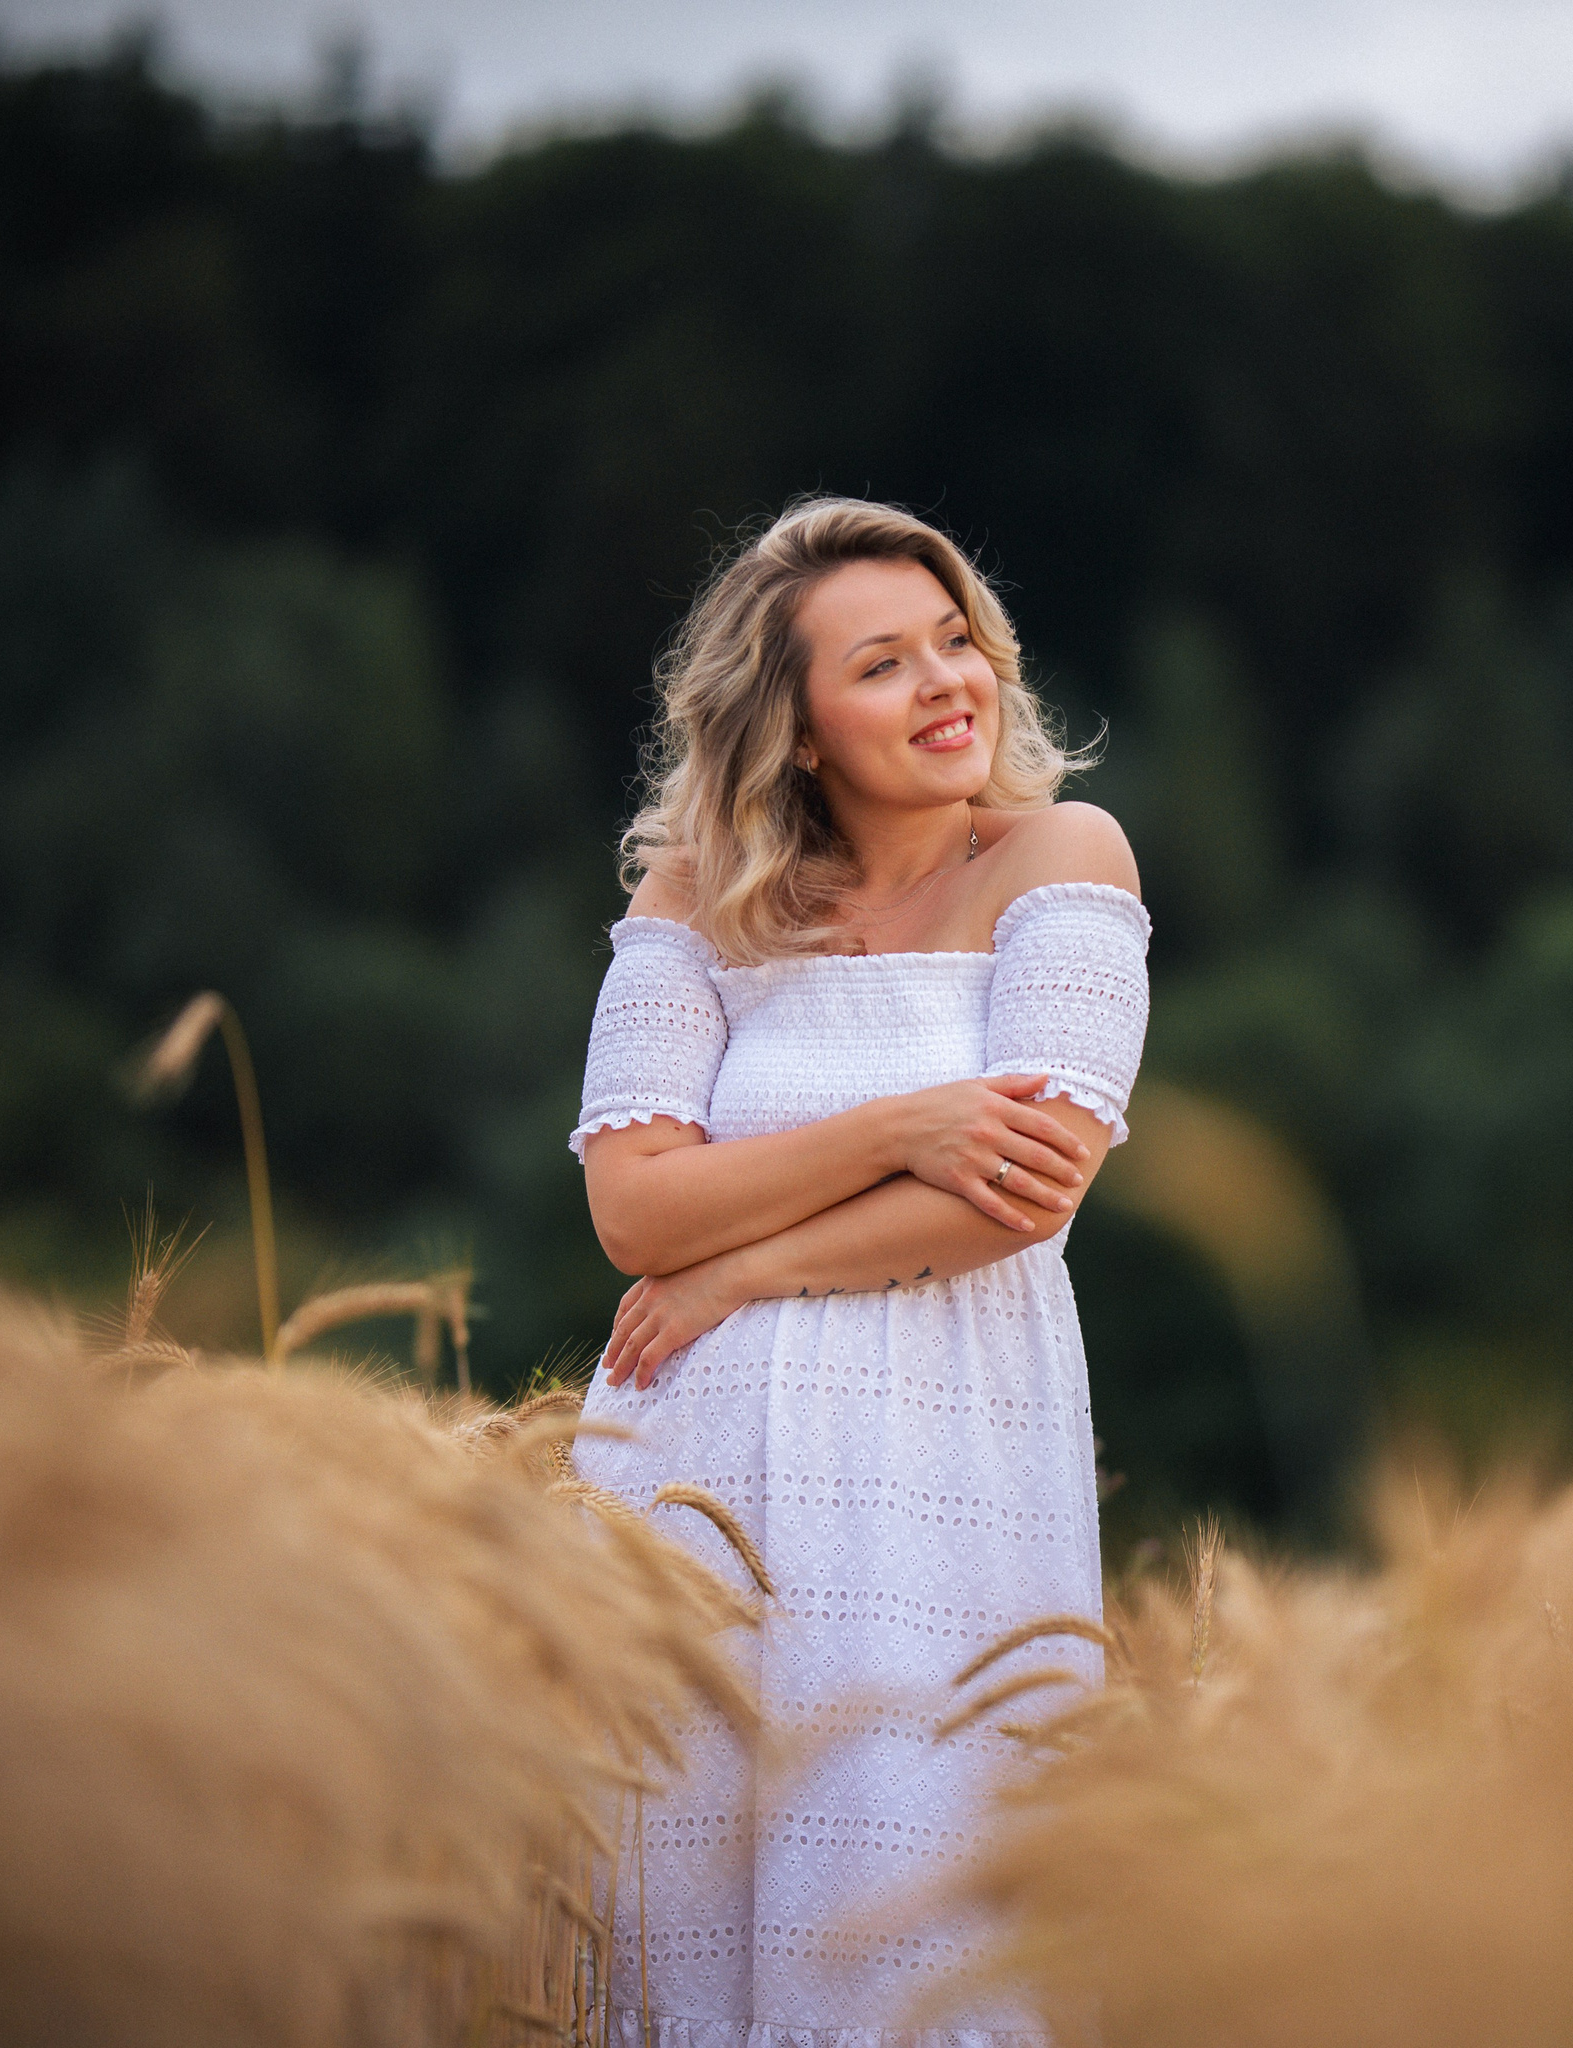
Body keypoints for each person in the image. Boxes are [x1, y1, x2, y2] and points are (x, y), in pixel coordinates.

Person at [568, 496, 1149, 2045]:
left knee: (923, 1893)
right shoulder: (693, 894)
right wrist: (905, 1120)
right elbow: (633, 1210)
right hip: (698, 1466)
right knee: (687, 1895)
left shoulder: (1061, 856)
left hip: (944, 1454)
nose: (950, 683)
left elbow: (1025, 1193)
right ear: (798, 729)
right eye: (885, 664)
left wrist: (738, 1271)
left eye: (957, 641)